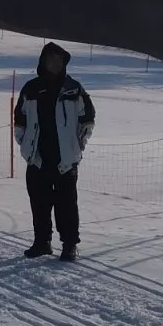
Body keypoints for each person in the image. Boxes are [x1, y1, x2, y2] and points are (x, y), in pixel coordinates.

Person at [14, 42, 96, 262]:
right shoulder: (30, 88)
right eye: (51, 59)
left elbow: (87, 119)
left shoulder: (73, 88)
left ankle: (69, 245)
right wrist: (25, 146)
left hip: (65, 159)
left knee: (67, 204)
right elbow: (19, 120)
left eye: (59, 60)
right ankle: (42, 242)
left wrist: (77, 145)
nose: (55, 64)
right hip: (37, 158)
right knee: (39, 203)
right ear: (42, 61)